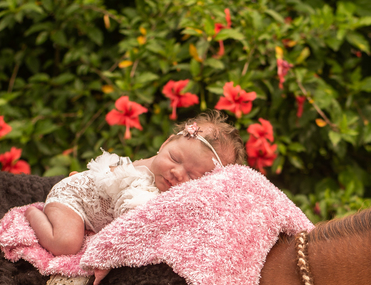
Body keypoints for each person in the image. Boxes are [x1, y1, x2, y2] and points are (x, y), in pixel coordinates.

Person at [25, 111, 245, 260]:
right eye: (175, 159)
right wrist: (105, 260)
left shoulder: (163, 173)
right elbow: (130, 228)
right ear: (165, 143)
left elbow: (116, 168)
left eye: (192, 175)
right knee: (67, 244)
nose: (176, 173)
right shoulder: (140, 189)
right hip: (73, 199)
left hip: (92, 199)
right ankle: (33, 213)